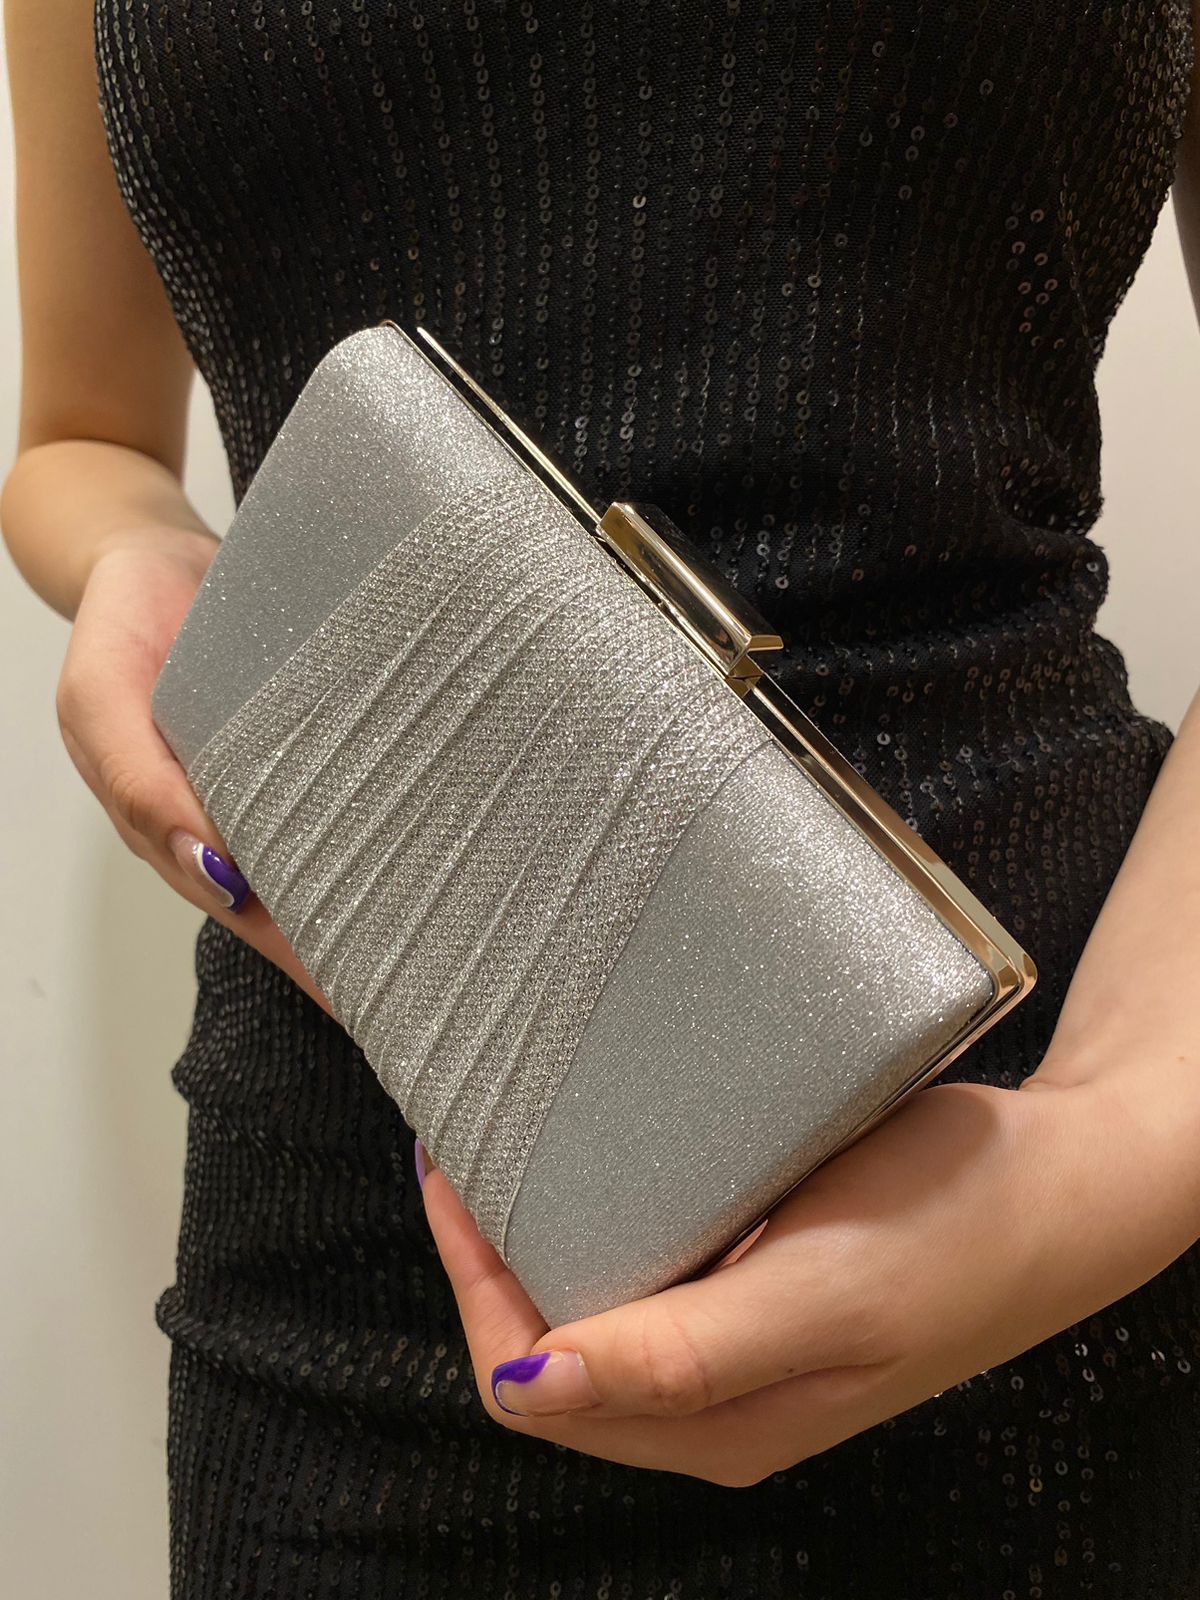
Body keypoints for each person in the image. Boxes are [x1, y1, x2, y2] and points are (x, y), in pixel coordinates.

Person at [4, 2, 1200, 1595]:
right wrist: (139, 557)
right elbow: (82, 436)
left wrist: (1119, 1136)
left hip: (1044, 1197)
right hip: (356, 1195)